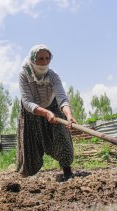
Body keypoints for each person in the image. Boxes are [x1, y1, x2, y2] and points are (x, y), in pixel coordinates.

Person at [17, 44, 76, 181]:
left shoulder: (53, 75)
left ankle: (67, 171)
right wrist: (45, 113)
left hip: (53, 105)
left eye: (47, 58)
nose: (45, 62)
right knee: (30, 143)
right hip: (31, 110)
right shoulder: (24, 74)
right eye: (41, 58)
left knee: (62, 135)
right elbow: (27, 101)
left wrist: (68, 115)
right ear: (33, 58)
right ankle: (28, 174)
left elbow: (61, 97)